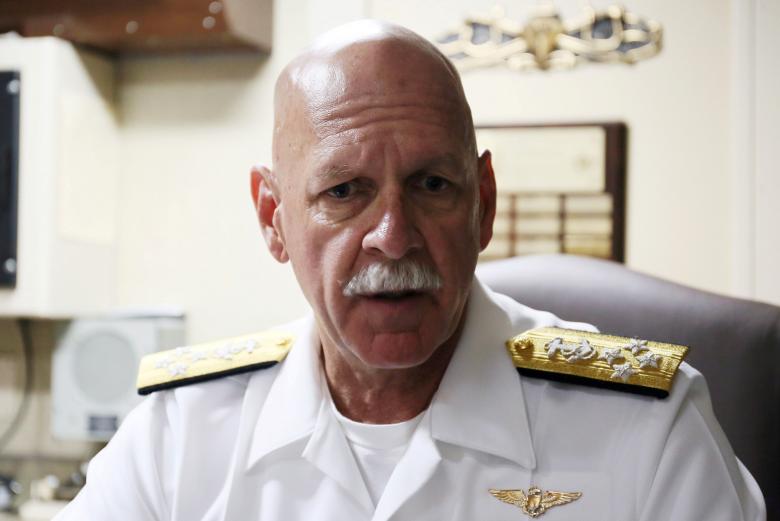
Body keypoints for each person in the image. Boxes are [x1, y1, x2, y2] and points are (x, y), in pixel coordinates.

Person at [54, 20, 765, 521]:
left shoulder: (645, 429)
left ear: (483, 205)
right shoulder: (180, 434)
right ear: (273, 217)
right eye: (344, 192)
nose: (393, 239)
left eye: (431, 185)